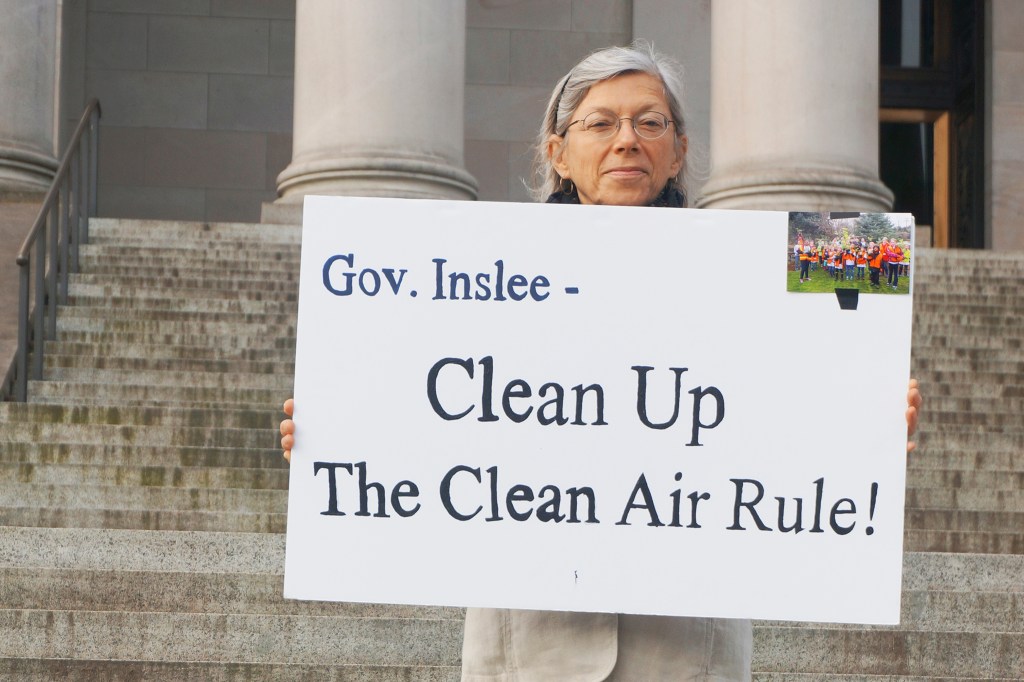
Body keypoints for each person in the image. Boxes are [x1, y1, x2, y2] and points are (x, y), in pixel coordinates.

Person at [280, 43, 924, 682]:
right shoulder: (476, 270)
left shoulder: (755, 261)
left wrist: (867, 417)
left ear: (680, 153)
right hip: (530, 647)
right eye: (600, 123)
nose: (627, 141)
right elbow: (422, 412)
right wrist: (336, 430)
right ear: (558, 152)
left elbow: (844, 329)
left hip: (686, 650)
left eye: (651, 122)